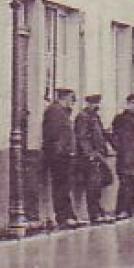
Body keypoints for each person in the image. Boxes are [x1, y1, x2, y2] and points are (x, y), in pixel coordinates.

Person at [41, 88, 80, 227]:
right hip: (59, 156)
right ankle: (63, 217)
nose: (72, 103)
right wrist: (60, 151)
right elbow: (54, 134)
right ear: (65, 98)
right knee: (61, 187)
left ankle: (68, 215)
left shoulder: (62, 112)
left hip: (64, 155)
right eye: (71, 99)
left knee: (64, 187)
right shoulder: (55, 111)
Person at [74, 94, 114, 224]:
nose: (96, 106)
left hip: (98, 155)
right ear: (88, 104)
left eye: (97, 103)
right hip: (90, 157)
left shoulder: (95, 118)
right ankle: (94, 214)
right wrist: (90, 154)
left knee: (101, 182)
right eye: (94, 103)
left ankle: (98, 210)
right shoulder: (83, 117)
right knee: (93, 185)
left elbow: (100, 134)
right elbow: (82, 137)